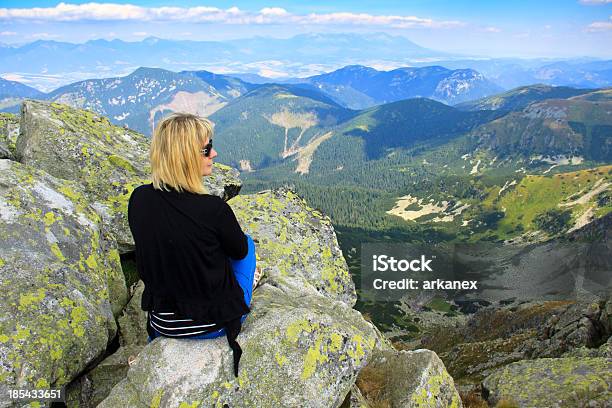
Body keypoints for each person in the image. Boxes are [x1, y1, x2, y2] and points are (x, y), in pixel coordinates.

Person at [127, 112, 262, 377]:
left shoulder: (139, 199)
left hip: (162, 323)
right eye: (206, 149)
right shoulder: (213, 209)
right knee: (246, 246)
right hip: (211, 325)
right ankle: (252, 283)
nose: (214, 153)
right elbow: (239, 252)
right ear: (186, 157)